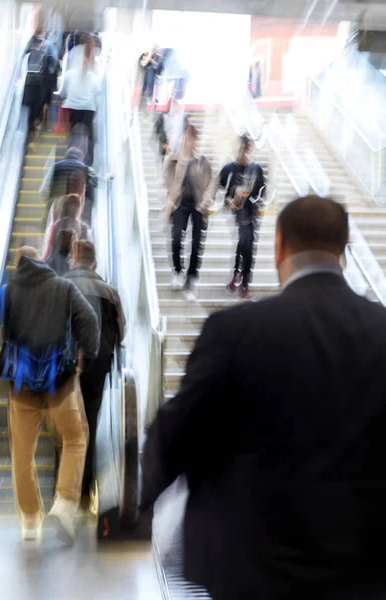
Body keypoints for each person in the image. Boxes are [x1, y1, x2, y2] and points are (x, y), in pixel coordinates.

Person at [142, 195, 386, 600]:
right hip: (363, 572)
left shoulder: (233, 331)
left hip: (253, 569)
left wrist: (144, 498)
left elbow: (179, 430)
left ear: (278, 246)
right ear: (345, 246)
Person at [0, 246, 99, 542]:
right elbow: (89, 320)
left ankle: (31, 519)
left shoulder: (4, 293)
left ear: (17, 263)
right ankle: (63, 502)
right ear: (41, 261)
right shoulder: (64, 287)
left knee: (22, 452)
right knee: (75, 438)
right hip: (59, 380)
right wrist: (87, 353)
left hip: (20, 385)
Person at [65, 241, 126, 508]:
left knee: (65, 427)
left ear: (74, 260)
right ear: (95, 263)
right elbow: (121, 332)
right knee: (88, 423)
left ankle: (63, 490)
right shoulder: (110, 292)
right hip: (98, 366)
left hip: (64, 365)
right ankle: (84, 492)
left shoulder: (60, 286)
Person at [163, 123, 213, 300]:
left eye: (192, 138)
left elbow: (210, 183)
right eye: (187, 136)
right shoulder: (174, 158)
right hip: (179, 204)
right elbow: (167, 176)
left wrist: (205, 203)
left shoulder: (202, 160)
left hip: (198, 205)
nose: (189, 141)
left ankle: (191, 279)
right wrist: (171, 193)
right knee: (176, 237)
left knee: (196, 243)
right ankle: (178, 271)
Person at [217, 133, 266, 300]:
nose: (245, 153)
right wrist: (228, 201)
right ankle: (239, 278)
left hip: (252, 211)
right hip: (238, 210)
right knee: (245, 238)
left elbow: (262, 191)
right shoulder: (229, 169)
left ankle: (242, 279)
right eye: (243, 149)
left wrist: (260, 200)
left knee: (249, 243)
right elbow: (218, 189)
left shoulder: (256, 169)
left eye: (248, 149)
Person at [61, 37, 101, 165]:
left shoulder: (69, 73)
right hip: (88, 107)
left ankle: (71, 158)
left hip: (73, 106)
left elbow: (63, 93)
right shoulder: (94, 77)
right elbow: (97, 96)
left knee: (74, 132)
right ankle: (88, 162)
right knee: (89, 135)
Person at [40, 146, 97, 226]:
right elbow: (96, 181)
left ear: (66, 156)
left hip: (55, 205)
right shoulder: (85, 168)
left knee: (50, 227)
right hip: (74, 207)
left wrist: (47, 199)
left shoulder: (55, 166)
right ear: (80, 158)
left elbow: (44, 189)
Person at [23, 24, 57, 145]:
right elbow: (53, 63)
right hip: (41, 81)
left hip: (27, 82)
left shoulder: (28, 43)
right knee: (39, 104)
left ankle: (27, 132)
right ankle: (37, 126)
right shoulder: (48, 45)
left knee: (28, 108)